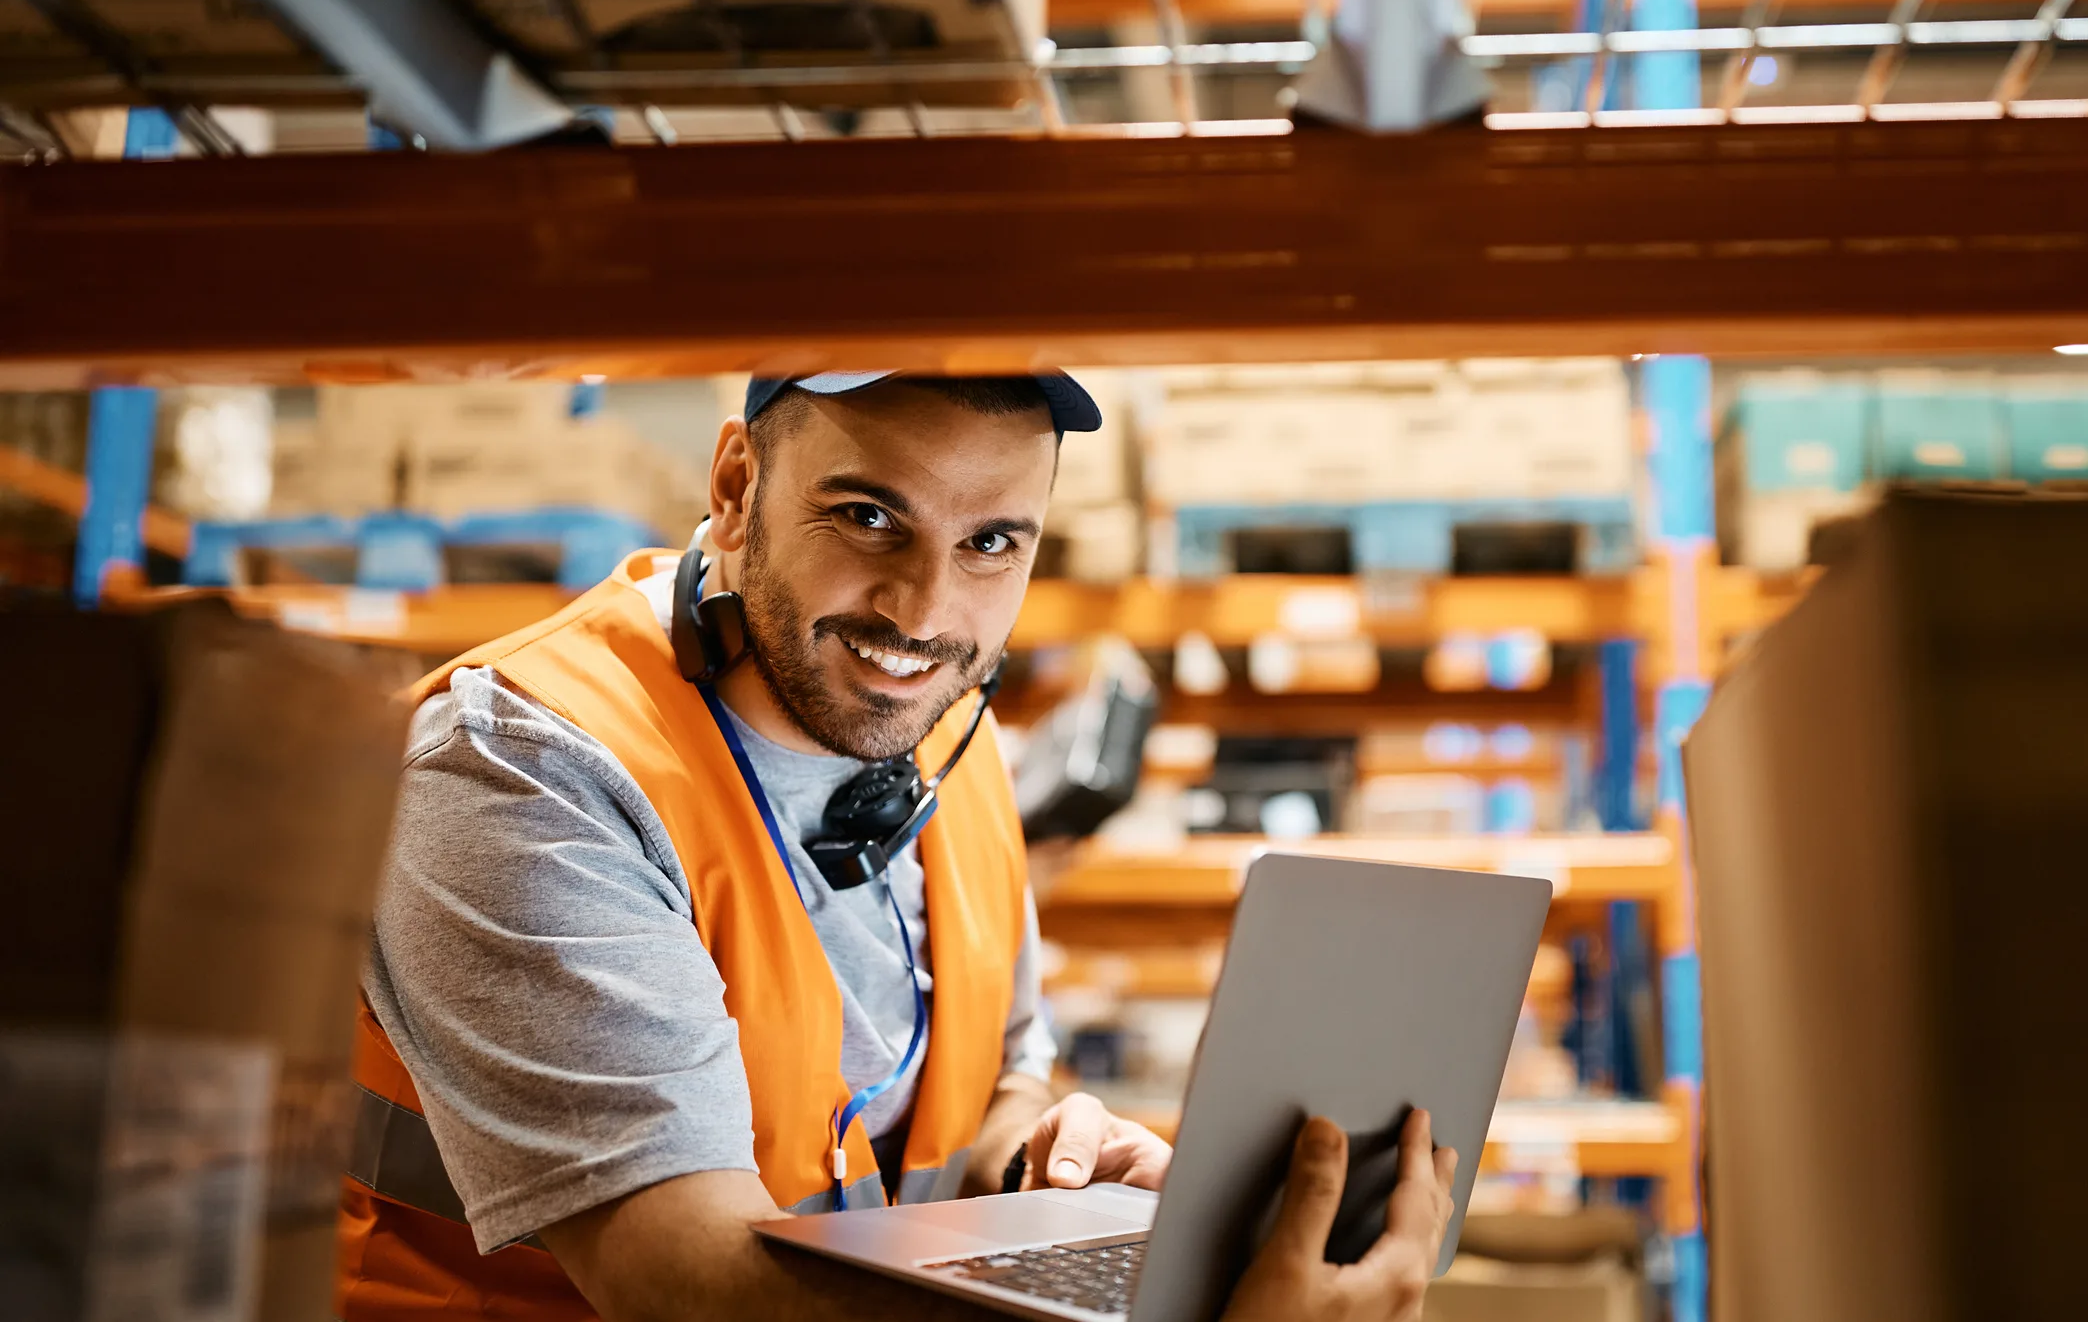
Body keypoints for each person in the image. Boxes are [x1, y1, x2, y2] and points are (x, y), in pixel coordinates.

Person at [337, 371, 1459, 1321]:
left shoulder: (948, 748)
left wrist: (1036, 1164)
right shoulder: (523, 768)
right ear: (737, 488)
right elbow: (682, 1278)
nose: (924, 610)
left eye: (990, 542)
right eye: (869, 516)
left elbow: (978, 1097)